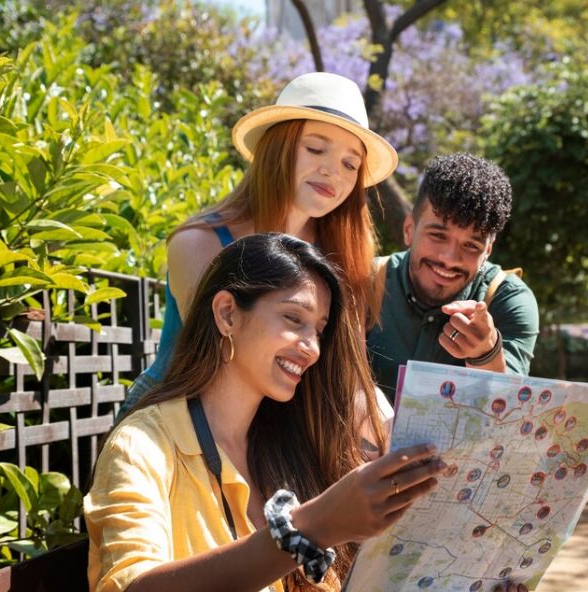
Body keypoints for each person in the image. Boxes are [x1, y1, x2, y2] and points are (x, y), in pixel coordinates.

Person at [85, 234, 443, 592]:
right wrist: (308, 529)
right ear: (227, 313)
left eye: (318, 330)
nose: (312, 348)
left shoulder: (292, 449)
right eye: (293, 318)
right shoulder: (140, 446)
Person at [119, 72, 398, 417]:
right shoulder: (199, 244)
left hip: (272, 438)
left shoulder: (341, 261)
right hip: (172, 426)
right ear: (276, 148)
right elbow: (227, 370)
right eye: (315, 148)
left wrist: (387, 428)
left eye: (350, 164)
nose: (333, 172)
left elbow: (349, 377)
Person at [367, 153, 539, 400]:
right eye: (438, 235)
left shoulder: (508, 300)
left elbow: (509, 409)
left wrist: (486, 354)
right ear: (409, 230)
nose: (449, 258)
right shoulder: (364, 282)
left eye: (471, 246)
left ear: (487, 252)